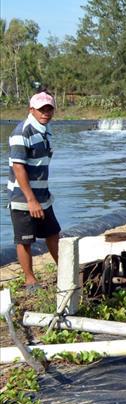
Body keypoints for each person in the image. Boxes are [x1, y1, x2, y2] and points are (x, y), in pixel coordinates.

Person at [7, 91, 61, 290]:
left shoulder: (44, 131)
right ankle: (30, 279)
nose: (46, 113)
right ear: (32, 110)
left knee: (53, 233)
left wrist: (40, 197)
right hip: (24, 197)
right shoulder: (22, 132)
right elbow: (18, 167)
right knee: (25, 239)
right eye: (41, 109)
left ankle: (64, 269)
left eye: (49, 109)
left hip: (43, 196)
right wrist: (31, 200)